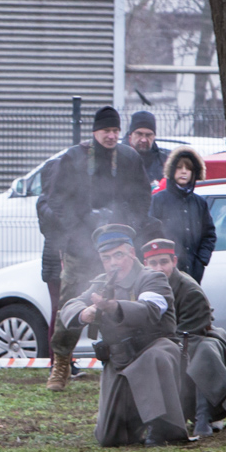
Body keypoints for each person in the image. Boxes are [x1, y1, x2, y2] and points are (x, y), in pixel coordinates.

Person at [36, 106, 151, 390]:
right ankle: (61, 364)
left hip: (119, 244)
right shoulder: (74, 157)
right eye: (106, 131)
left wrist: (129, 227)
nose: (111, 136)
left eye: (115, 131)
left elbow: (142, 197)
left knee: (129, 300)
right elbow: (56, 200)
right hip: (80, 247)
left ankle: (134, 363)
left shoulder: (129, 158)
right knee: (72, 302)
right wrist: (78, 231)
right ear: (94, 132)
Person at [57, 224, 187, 447]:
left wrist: (114, 306)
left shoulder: (152, 277)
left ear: (132, 253)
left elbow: (149, 310)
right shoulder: (100, 283)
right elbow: (70, 305)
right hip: (120, 360)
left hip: (153, 350)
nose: (113, 263)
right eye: (106, 258)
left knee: (155, 356)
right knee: (109, 437)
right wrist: (83, 313)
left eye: (118, 255)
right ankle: (136, 425)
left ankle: (162, 426)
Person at [142, 238, 226, 438]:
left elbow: (191, 333)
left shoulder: (189, 289)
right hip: (163, 343)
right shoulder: (142, 285)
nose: (159, 268)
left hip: (194, 338)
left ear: (174, 261)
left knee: (203, 352)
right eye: (153, 263)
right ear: (145, 265)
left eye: (164, 262)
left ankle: (204, 417)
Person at [149, 147, 215, 282]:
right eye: (179, 167)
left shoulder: (200, 203)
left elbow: (209, 235)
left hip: (193, 272)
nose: (184, 171)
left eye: (188, 168)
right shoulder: (158, 200)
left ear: (194, 173)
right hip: (165, 272)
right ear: (172, 170)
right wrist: (160, 262)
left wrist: (201, 260)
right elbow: (150, 232)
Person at [127, 110, 170, 186]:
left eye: (148, 135)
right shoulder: (116, 158)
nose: (144, 140)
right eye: (139, 134)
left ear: (154, 136)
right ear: (130, 135)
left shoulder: (165, 162)